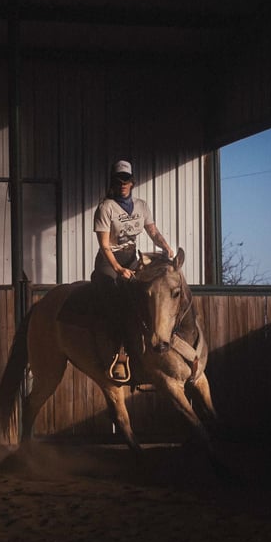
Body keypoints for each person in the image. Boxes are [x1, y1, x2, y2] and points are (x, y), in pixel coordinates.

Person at [92, 160, 174, 381]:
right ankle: (118, 354)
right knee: (116, 298)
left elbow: (153, 232)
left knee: (151, 291)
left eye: (126, 180)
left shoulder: (142, 206)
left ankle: (157, 341)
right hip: (109, 261)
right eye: (119, 180)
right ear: (113, 182)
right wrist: (118, 269)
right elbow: (104, 245)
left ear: (132, 182)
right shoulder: (105, 208)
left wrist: (165, 246)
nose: (123, 184)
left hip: (132, 257)